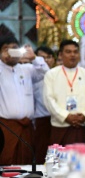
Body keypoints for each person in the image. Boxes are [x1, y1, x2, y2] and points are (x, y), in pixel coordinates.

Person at [0, 37, 49, 165]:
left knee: (26, 162)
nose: (11, 52)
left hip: (26, 126)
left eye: (15, 49)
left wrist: (34, 58)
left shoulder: (27, 69)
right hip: (6, 127)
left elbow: (46, 73)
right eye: (7, 49)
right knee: (5, 161)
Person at [44, 40, 85, 146]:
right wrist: (66, 116)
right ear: (60, 55)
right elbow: (48, 100)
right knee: (59, 160)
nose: (72, 55)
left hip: (82, 126)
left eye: (75, 52)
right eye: (68, 52)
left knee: (82, 161)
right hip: (60, 127)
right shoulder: (51, 74)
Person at [33, 46, 56, 163]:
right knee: (41, 152)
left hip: (58, 119)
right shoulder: (34, 76)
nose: (46, 61)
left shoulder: (58, 75)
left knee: (56, 152)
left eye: (49, 57)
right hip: (41, 119)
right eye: (42, 58)